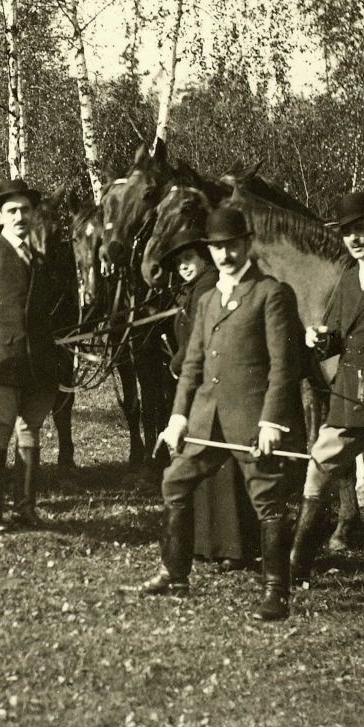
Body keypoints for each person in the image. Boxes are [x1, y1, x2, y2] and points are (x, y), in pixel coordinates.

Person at [132, 206, 304, 620]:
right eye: (217, 248)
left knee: (268, 501)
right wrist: (178, 418)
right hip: (207, 419)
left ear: (247, 244)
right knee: (175, 482)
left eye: (232, 246)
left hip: (252, 419)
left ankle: (276, 591)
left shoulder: (270, 293)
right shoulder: (207, 299)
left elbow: (284, 365)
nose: (225, 255)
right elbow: (192, 365)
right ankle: (175, 574)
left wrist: (271, 421)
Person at [291, 189, 364, 587]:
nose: (354, 238)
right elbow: (340, 335)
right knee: (320, 462)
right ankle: (298, 561)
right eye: (346, 232)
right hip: (351, 393)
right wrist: (319, 338)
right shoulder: (348, 278)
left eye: (361, 228)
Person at [0, 178, 76, 533]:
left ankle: (26, 507)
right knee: (0, 430)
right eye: (11, 211)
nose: (20, 217)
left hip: (37, 363)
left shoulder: (41, 260)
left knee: (31, 431)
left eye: (25, 210)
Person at [159, 225, 259, 572]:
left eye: (189, 258)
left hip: (217, 389)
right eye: (179, 263)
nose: (184, 266)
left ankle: (230, 546)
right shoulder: (196, 290)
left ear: (204, 258)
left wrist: (176, 363)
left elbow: (196, 344)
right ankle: (214, 545)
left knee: (221, 468)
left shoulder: (209, 289)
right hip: (204, 387)